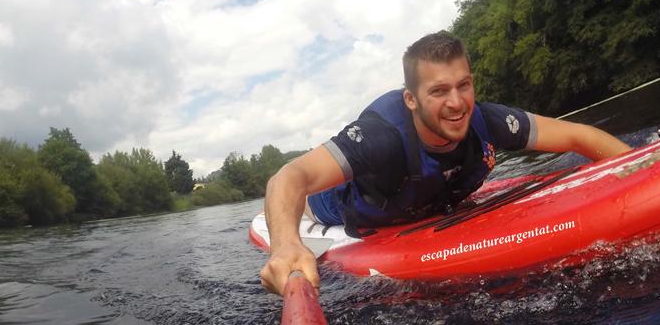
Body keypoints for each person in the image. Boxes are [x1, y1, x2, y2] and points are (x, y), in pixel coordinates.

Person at [259, 31, 631, 295]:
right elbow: (288, 176)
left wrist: (644, 164)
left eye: (464, 85)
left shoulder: (487, 121)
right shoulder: (381, 138)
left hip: (431, 200)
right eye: (438, 91)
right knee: (312, 198)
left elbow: (579, 135)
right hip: (340, 206)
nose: (457, 103)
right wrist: (286, 245)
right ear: (411, 99)